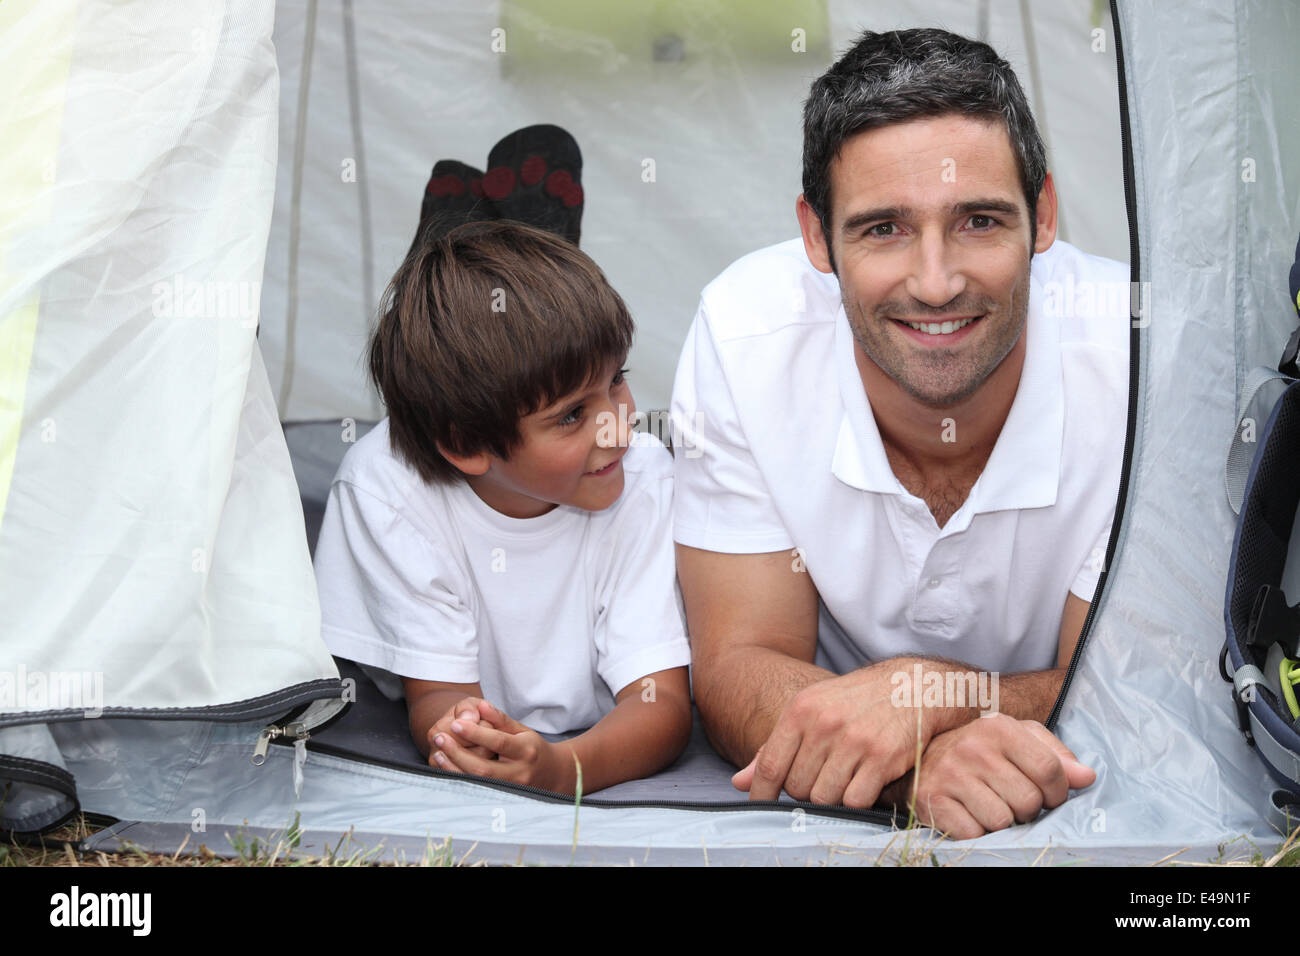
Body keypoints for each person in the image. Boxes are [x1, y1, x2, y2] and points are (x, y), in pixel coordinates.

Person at [670, 28, 1128, 838]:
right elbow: (736, 667)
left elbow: (1134, 685)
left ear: (1044, 214)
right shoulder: (744, 335)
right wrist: (917, 773)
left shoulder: (1136, 362)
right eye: (883, 229)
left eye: (979, 220)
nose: (936, 281)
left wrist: (935, 693)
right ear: (816, 238)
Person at [313, 220, 691, 795]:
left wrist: (563, 771)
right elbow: (437, 695)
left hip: (589, 739)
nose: (620, 425)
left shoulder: (645, 479)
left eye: (618, 380)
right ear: (466, 445)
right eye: (570, 415)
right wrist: (474, 740)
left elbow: (659, 702)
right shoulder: (385, 493)